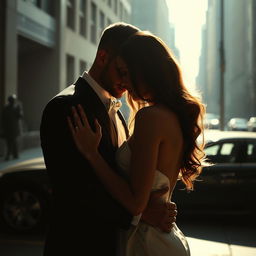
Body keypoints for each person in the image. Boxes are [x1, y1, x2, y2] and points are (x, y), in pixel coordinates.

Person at [40, 23, 177, 256]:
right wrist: (141, 214)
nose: (128, 81)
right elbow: (74, 189)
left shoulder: (120, 113)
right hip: (77, 245)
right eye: (123, 72)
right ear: (103, 57)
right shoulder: (65, 106)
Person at [67, 31, 206, 256]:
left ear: (144, 71)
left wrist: (93, 155)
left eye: (126, 73)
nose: (124, 82)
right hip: (161, 238)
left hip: (148, 242)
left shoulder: (150, 118)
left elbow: (135, 204)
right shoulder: (172, 115)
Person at [2, 94, 23, 161]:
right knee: (12, 142)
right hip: (12, 128)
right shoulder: (14, 108)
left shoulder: (6, 108)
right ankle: (11, 155)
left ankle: (13, 155)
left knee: (11, 142)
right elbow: (20, 116)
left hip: (9, 128)